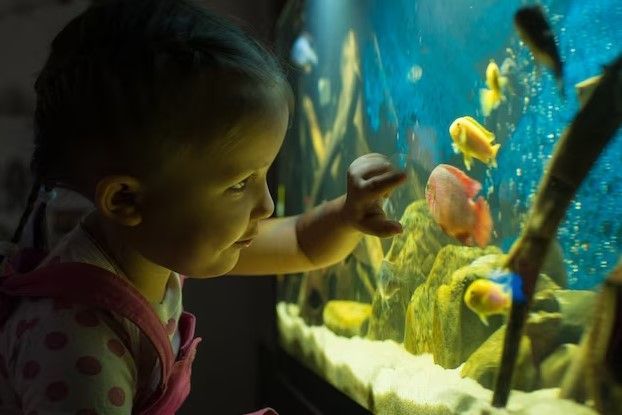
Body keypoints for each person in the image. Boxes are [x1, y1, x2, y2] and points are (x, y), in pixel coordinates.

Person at [0, 0, 406, 413]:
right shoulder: (77, 341)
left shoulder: (153, 244)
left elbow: (301, 244)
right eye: (239, 184)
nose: (266, 206)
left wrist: (348, 215)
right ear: (126, 200)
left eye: (263, 175)